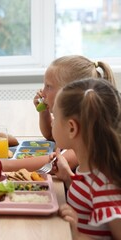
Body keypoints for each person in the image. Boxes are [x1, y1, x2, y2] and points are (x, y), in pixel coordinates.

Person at [1, 55, 116, 172]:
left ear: (68, 93)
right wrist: (44, 112)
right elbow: (52, 135)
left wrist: (4, 165)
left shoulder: (88, 136)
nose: (43, 92)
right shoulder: (76, 123)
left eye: (49, 86)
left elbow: (56, 163)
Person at [52, 78, 121, 239]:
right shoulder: (90, 169)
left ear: (71, 128)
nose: (52, 123)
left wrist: (77, 234)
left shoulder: (105, 187)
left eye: (55, 117)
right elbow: (88, 199)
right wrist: (69, 178)